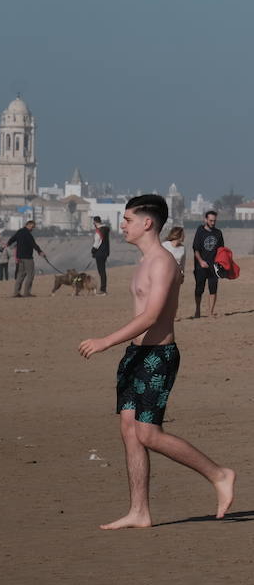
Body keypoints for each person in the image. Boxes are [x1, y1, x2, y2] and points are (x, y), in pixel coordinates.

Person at [78, 194, 235, 530]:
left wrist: (105, 341)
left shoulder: (163, 261)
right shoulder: (144, 260)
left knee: (148, 434)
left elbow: (152, 315)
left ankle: (219, 474)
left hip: (158, 358)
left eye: (127, 219)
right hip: (136, 355)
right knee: (129, 432)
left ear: (147, 223)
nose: (122, 225)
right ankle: (139, 511)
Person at [191, 210, 223, 319]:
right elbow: (195, 249)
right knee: (199, 289)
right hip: (200, 266)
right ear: (205, 220)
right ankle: (198, 310)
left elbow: (221, 250)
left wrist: (222, 263)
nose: (213, 223)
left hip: (214, 266)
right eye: (211, 220)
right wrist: (201, 261)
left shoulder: (218, 233)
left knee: (213, 288)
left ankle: (210, 312)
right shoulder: (200, 231)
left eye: (214, 221)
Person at [7, 219, 48, 297]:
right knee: (30, 274)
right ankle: (27, 293)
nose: (32, 229)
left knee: (20, 275)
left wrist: (8, 243)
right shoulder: (28, 234)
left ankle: (16, 293)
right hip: (27, 258)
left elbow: (12, 239)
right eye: (32, 227)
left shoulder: (19, 231)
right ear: (28, 225)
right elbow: (33, 244)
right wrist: (40, 252)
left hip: (19, 257)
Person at [91, 216, 111, 295]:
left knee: (101, 271)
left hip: (99, 253)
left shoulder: (99, 231)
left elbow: (97, 242)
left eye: (94, 223)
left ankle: (103, 290)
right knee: (103, 271)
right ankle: (103, 288)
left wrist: (93, 251)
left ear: (95, 222)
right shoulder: (106, 229)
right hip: (105, 253)